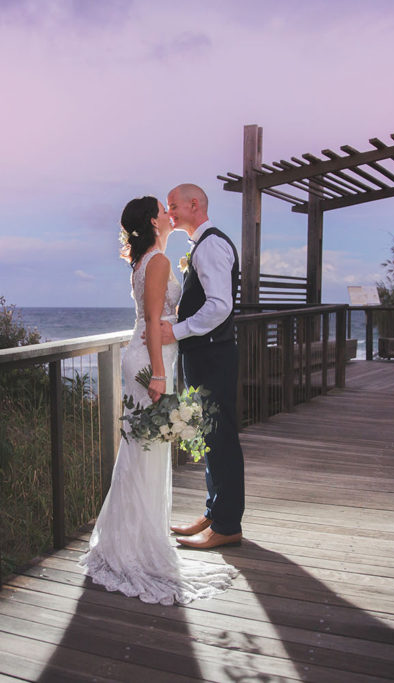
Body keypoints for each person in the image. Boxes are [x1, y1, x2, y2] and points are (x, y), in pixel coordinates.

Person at [78, 196, 237, 605]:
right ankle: (135, 546)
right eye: (163, 210)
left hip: (148, 358)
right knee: (144, 454)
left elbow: (153, 317)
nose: (169, 213)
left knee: (141, 451)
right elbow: (151, 319)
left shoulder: (149, 261)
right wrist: (160, 374)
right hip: (151, 364)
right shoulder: (159, 262)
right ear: (153, 220)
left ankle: (132, 539)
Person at [159, 183, 245, 550]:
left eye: (173, 205)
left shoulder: (210, 245)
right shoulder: (202, 244)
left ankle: (227, 525)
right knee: (211, 436)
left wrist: (175, 331)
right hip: (206, 355)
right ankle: (215, 513)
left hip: (212, 355)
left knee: (221, 437)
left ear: (194, 204)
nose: (170, 211)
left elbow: (219, 306)